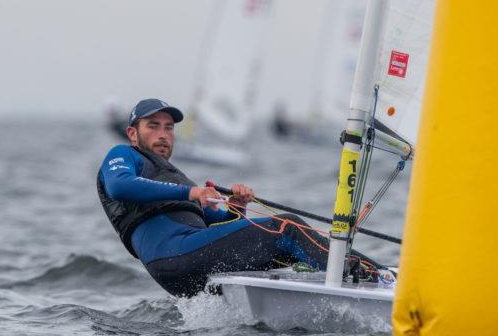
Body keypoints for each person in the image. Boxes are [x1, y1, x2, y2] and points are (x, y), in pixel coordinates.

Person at [97, 98, 379, 297]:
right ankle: (371, 277)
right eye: (153, 126)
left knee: (284, 247)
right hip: (173, 256)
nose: (162, 134)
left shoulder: (174, 177)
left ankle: (368, 272)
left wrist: (237, 208)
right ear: (133, 133)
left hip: (190, 258)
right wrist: (192, 192)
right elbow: (120, 186)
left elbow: (220, 228)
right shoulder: (123, 156)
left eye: (168, 128)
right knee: (286, 227)